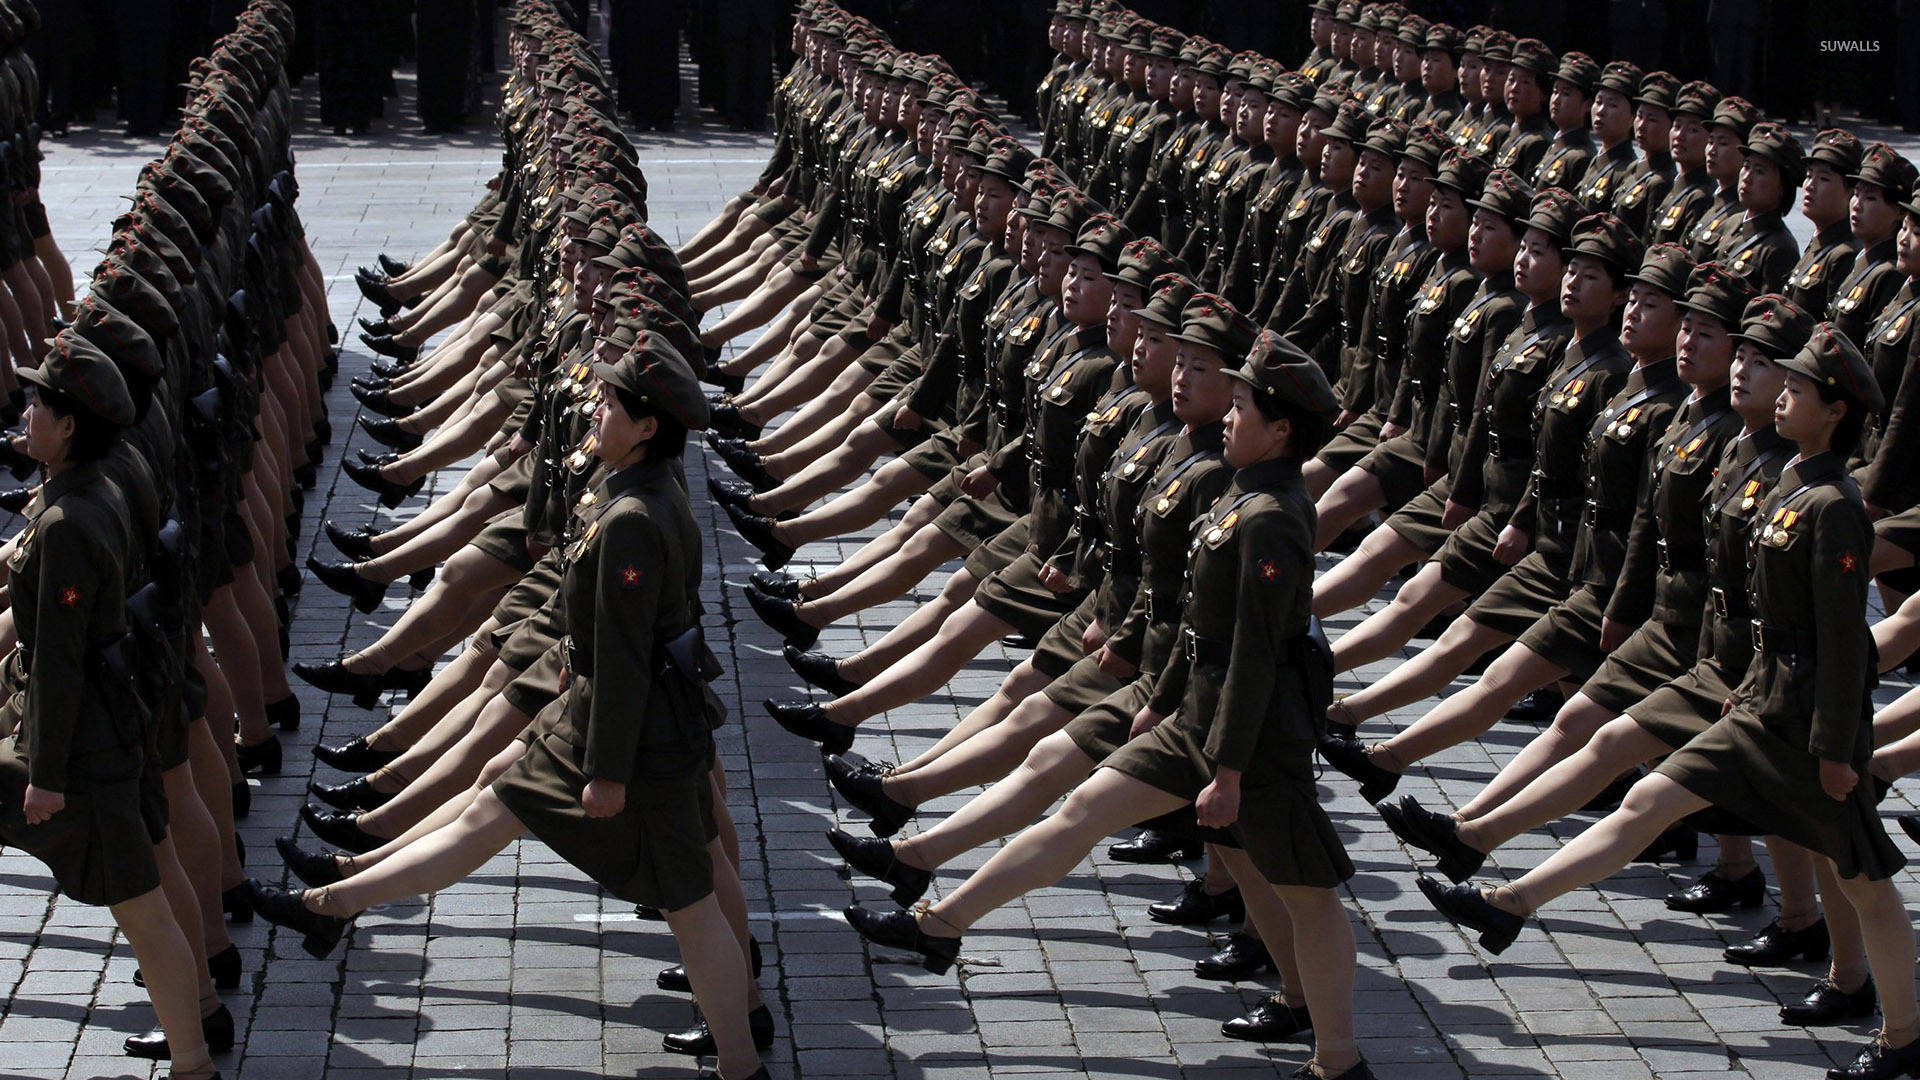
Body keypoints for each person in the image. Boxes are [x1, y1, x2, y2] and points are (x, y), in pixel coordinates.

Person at [845, 338, 1374, 1080]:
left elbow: (1257, 652)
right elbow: (1195, 619)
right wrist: (1158, 701)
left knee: (1304, 891)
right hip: (1195, 712)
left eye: (1244, 404)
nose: (1229, 414)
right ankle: (941, 924)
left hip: (1253, 737)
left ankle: (1339, 1060)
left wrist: (1225, 770)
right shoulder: (1244, 491)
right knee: (1083, 809)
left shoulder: (1274, 517)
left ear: (1282, 428)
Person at [248, 340, 770, 1080]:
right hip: (622, 715)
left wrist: (607, 773)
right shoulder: (643, 490)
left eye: (614, 403)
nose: (598, 406)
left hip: (632, 734)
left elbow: (623, 657)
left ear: (648, 426)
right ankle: (333, 898)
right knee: (491, 808)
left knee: (689, 900)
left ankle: (743, 1062)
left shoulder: (633, 518)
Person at [1418, 324, 1920, 1080]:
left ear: (1836, 411)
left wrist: (1834, 749)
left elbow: (1846, 643)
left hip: (1804, 724)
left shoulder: (1835, 506)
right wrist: (1745, 694)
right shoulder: (1791, 484)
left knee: (1863, 876)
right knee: (1649, 796)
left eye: (1797, 386)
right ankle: (1510, 901)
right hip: (1759, 707)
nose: (1781, 390)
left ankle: (1905, 1038)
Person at [2, 337, 221, 1080]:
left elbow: (59, 660)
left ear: (68, 427)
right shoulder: (90, 489)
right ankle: (199, 1033)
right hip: (112, 722)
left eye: (40, 404)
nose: (26, 412)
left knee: (141, 902)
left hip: (82, 747)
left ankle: (193, 1059)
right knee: (149, 888)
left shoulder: (68, 524)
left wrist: (46, 775)